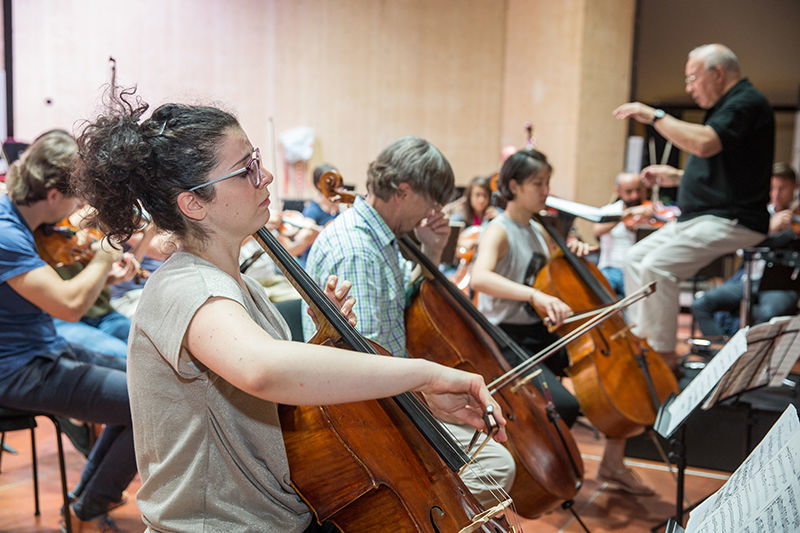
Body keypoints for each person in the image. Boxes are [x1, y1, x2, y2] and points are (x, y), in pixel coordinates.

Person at [72, 94, 506, 532]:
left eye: (256, 160)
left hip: (280, 515)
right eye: (246, 170)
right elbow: (263, 369)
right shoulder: (185, 285)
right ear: (193, 204)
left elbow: (274, 396)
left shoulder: (243, 285)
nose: (267, 176)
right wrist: (422, 375)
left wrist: (325, 342)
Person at [302, 136, 517, 506]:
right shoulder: (358, 250)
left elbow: (403, 294)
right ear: (403, 191)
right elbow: (363, 366)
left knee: (494, 458)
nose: (432, 212)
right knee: (495, 466)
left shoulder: (380, 239)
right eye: (431, 201)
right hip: (371, 416)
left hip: (396, 397)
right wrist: (426, 393)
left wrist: (431, 249)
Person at [470, 148, 656, 496]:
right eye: (537, 183)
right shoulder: (501, 229)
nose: (545, 191)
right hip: (507, 338)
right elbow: (479, 278)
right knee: (566, 406)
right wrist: (533, 296)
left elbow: (554, 277)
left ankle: (612, 465)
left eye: (547, 183)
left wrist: (575, 257)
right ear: (514, 185)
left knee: (618, 380)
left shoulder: (540, 230)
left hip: (544, 333)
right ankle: (532, 473)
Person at [0, 129, 137, 531]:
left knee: (146, 383)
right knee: (147, 405)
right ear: (55, 195)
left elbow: (48, 295)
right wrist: (102, 258)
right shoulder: (6, 233)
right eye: (79, 195)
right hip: (18, 367)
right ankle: (85, 510)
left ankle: (85, 501)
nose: (81, 207)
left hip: (44, 347)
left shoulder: (23, 222)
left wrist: (104, 278)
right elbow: (70, 306)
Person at [613, 43, 774, 364]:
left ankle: (662, 358)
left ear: (717, 73)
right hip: (704, 216)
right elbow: (727, 173)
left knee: (657, 266)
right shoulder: (726, 105)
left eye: (692, 79)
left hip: (733, 219)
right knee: (634, 257)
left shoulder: (745, 102)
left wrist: (655, 116)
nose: (689, 88)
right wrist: (677, 176)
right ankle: (640, 342)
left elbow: (704, 143)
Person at [692, 162, 799, 337]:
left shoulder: (796, 218)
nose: (776, 195)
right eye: (772, 189)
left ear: (795, 187)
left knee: (768, 314)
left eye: (783, 189)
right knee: (701, 304)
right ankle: (723, 353)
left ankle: (757, 357)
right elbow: (740, 249)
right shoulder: (758, 215)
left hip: (780, 284)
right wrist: (769, 229)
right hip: (747, 279)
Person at [593, 172, 654, 297]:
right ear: (618, 191)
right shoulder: (609, 210)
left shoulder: (650, 210)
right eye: (629, 191)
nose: (635, 195)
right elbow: (597, 230)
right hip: (611, 269)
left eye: (638, 190)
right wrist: (628, 213)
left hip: (638, 271)